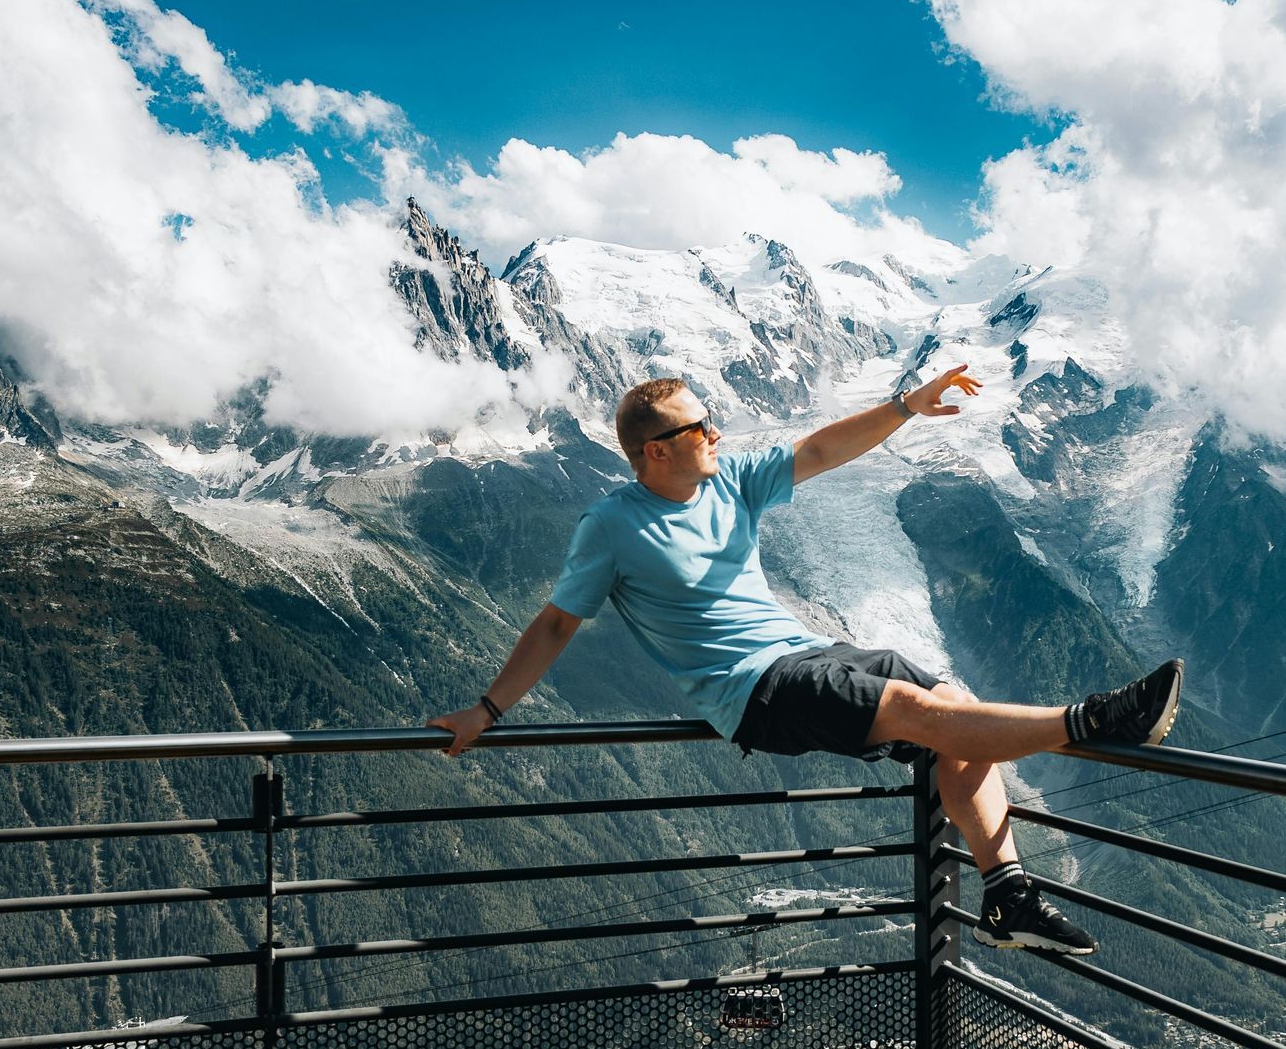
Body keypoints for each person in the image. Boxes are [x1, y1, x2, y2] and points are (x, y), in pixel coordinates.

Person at [428, 367, 1184, 956]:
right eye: (700, 425)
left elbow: (820, 449)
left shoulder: (727, 480)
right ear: (656, 450)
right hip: (754, 691)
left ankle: (1007, 895)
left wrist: (904, 408)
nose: (716, 430)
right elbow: (558, 623)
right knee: (925, 716)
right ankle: (1099, 719)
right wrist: (488, 710)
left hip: (807, 656)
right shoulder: (612, 526)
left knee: (948, 702)